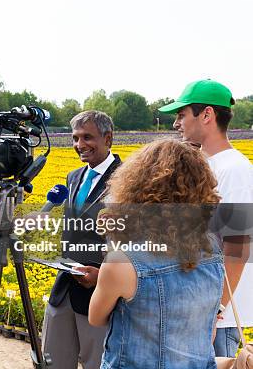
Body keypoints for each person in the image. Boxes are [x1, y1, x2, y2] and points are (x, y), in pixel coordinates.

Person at [89, 139, 223, 368]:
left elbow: (96, 317)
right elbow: (205, 336)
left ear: (135, 190)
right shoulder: (212, 251)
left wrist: (115, 240)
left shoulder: (123, 262)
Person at [159, 79, 253, 358]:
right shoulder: (200, 165)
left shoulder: (234, 170)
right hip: (194, 306)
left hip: (214, 317)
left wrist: (216, 311)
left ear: (207, 115)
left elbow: (237, 248)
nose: (176, 123)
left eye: (182, 114)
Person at [42, 110, 121, 369]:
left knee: (97, 363)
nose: (79, 145)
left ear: (107, 138)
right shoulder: (74, 176)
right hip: (64, 286)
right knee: (52, 361)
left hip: (100, 292)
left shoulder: (127, 179)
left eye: (87, 137)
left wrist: (103, 275)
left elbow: (133, 239)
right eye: (75, 138)